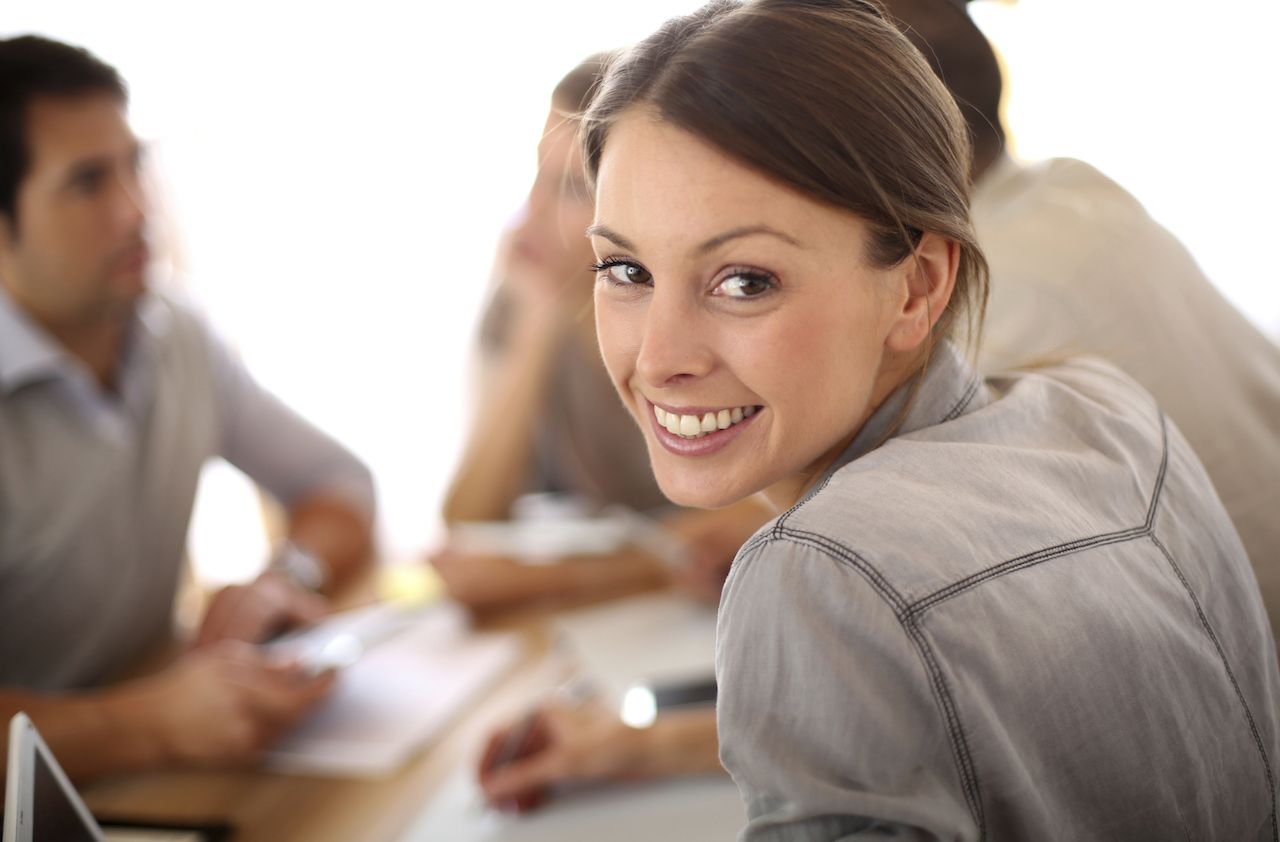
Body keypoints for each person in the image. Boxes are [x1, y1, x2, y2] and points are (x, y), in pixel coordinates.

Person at [493, 0, 1280, 838]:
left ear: (916, 288)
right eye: (624, 268)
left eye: (745, 281)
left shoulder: (811, 577)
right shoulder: (1104, 406)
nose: (658, 358)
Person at [0, 35, 376, 782]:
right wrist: (151, 723)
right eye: (87, 183)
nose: (137, 208)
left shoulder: (175, 335)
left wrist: (286, 578)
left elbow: (343, 485)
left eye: (134, 165)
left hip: (149, 773)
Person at [433, 54, 769, 611]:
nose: (529, 214)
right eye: (535, 175)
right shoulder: (528, 296)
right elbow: (467, 517)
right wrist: (537, 331)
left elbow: (748, 524)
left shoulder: (694, 331)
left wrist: (542, 580)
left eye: (569, 187)